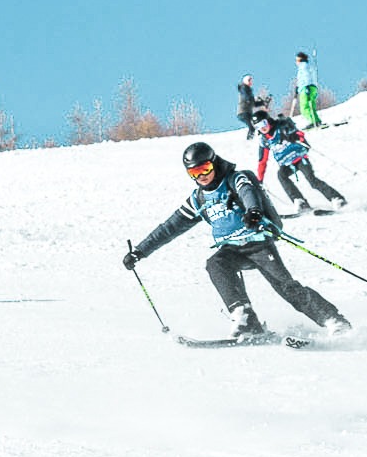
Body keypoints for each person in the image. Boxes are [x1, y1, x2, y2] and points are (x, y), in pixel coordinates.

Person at [124, 140, 350, 339]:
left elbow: (248, 192)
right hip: (232, 250)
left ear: (214, 162)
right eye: (194, 173)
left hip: (258, 243)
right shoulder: (198, 198)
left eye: (205, 169)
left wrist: (253, 211)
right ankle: (246, 320)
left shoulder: (235, 179)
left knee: (286, 288)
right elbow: (169, 228)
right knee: (215, 264)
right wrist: (140, 251)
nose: (201, 176)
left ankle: (334, 320)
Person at [252, 109, 346, 214]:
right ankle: (300, 201)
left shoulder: (282, 127)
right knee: (281, 175)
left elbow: (300, 135)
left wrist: (294, 137)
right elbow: (262, 161)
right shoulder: (264, 140)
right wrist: (259, 179)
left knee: (312, 180)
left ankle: (337, 198)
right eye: (258, 127)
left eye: (263, 124)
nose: (262, 128)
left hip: (299, 157)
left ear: (268, 120)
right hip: (286, 163)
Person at [293, 52, 323, 127]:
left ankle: (313, 122)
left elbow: (306, 77)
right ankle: (316, 120)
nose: (296, 62)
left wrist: (306, 86)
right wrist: (298, 87)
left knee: (304, 107)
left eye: (296, 60)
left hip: (306, 88)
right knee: (311, 106)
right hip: (312, 87)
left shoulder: (303, 67)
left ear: (300, 59)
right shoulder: (308, 66)